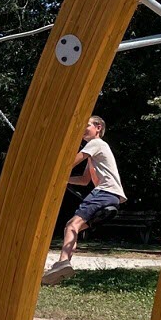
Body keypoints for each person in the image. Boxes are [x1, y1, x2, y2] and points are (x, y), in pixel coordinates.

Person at [42, 116, 125, 286]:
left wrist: (52, 170)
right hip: (113, 198)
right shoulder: (96, 152)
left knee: (72, 225)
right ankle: (61, 270)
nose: (82, 130)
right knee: (73, 227)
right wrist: (63, 179)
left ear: (98, 127)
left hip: (103, 192)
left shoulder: (96, 143)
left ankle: (63, 262)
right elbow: (84, 180)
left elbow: (70, 163)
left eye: (86, 126)